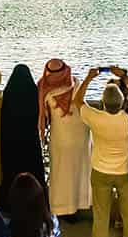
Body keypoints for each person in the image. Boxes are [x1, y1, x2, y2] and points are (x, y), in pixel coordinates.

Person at [71, 65, 128, 237]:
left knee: (101, 220)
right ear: (123, 102)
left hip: (101, 173)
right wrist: (123, 76)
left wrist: (88, 78)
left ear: (103, 102)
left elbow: (78, 101)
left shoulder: (95, 117)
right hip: (125, 174)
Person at [37, 60, 90, 220]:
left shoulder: (45, 91)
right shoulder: (76, 84)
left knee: (60, 173)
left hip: (60, 138)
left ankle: (61, 209)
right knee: (78, 171)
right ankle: (79, 206)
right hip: (81, 137)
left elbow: (44, 118)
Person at [0, 65, 45, 206]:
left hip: (12, 142)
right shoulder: (33, 93)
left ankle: (9, 202)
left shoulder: (9, 93)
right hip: (30, 142)